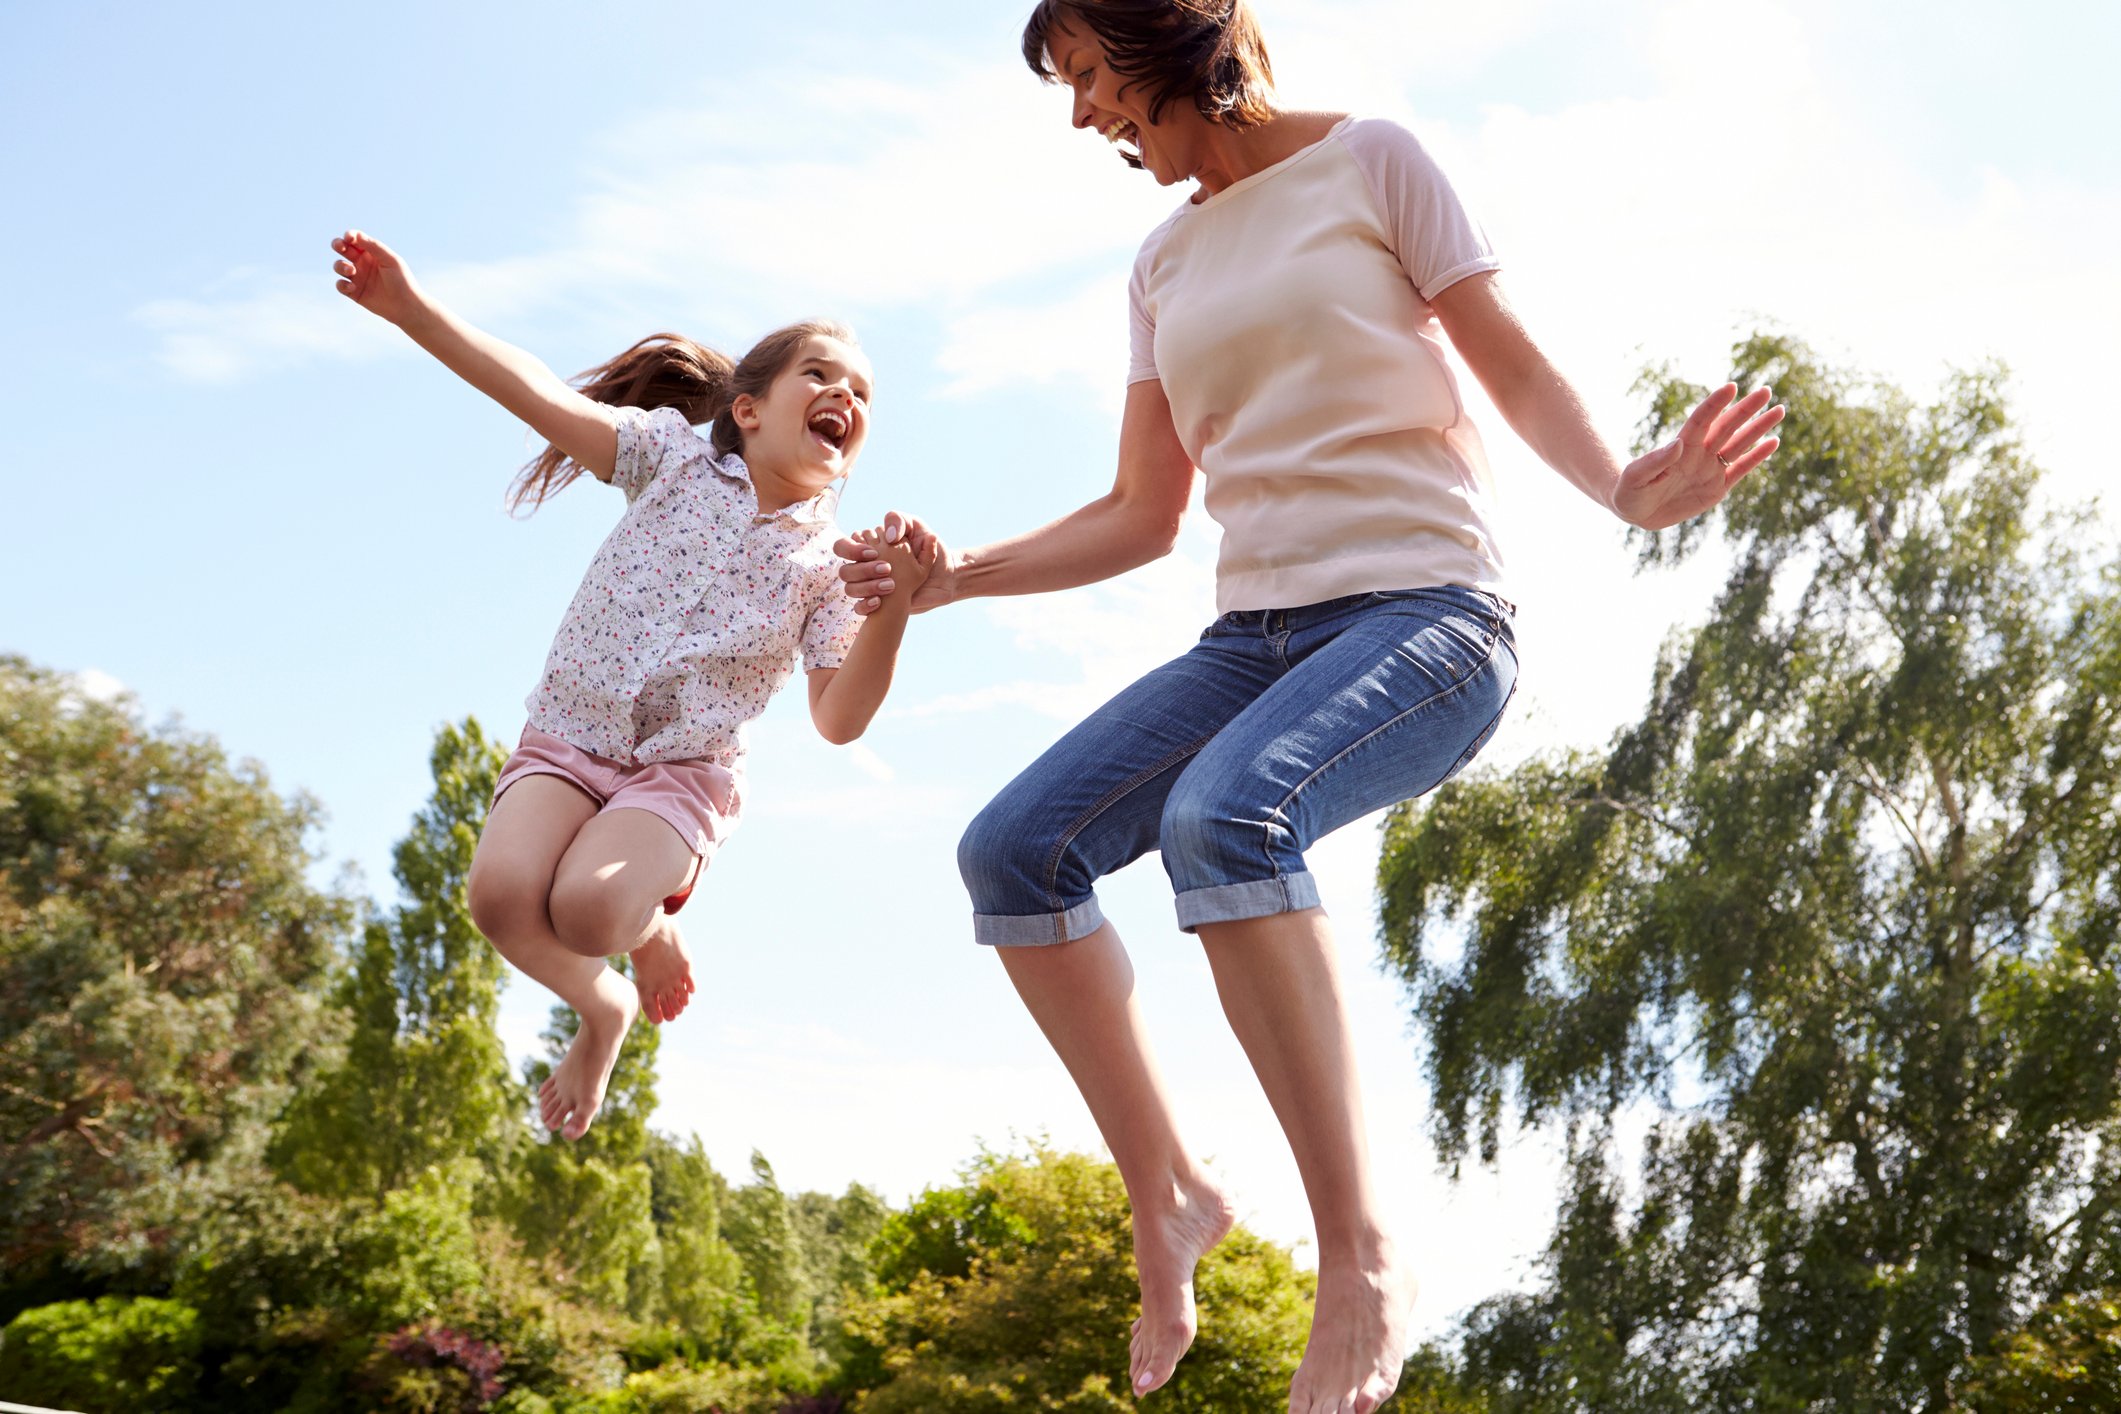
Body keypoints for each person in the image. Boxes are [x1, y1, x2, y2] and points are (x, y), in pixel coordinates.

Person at [835, 3, 1786, 1410]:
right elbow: (1141, 514)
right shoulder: (1160, 262)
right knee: (1013, 849)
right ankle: (1167, 1195)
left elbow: (1505, 361)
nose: (1083, 113)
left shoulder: (1373, 162)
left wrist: (1625, 489)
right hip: (1252, 637)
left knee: (1230, 814)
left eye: (1090, 74)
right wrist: (947, 579)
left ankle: (1363, 1254)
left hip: (1426, 613)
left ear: (1166, 37)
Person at [330, 230, 932, 1142]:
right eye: (818, 376)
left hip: (677, 777)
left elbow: (839, 720)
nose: (844, 395)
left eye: (861, 393)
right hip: (570, 737)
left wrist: (892, 609)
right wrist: (411, 310)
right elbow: (531, 390)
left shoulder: (829, 568)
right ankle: (604, 1005)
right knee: (497, 896)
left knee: (587, 909)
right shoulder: (669, 458)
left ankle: (638, 929)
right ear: (748, 410)